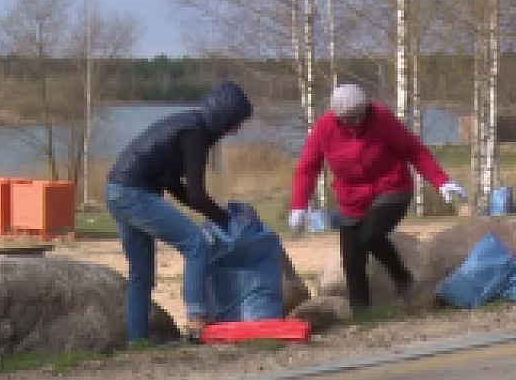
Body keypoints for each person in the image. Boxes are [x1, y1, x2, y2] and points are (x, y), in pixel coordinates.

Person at [288, 83, 466, 310]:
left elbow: (414, 150)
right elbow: (307, 168)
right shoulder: (324, 129)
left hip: (392, 189)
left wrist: (442, 181)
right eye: (348, 118)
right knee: (352, 260)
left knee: (370, 236)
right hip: (352, 199)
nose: (356, 122)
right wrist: (299, 206)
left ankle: (403, 278)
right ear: (337, 116)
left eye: (360, 115)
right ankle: (362, 316)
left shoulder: (382, 118)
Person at [105, 81, 253, 343]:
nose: (237, 130)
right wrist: (224, 219)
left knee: (141, 274)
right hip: (134, 193)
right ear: (225, 116)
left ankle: (137, 341)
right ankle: (197, 321)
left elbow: (175, 186)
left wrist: (216, 216)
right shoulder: (195, 134)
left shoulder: (187, 125)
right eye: (236, 122)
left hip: (116, 189)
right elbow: (195, 193)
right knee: (197, 244)